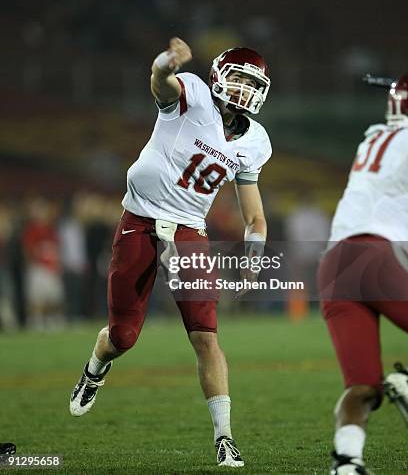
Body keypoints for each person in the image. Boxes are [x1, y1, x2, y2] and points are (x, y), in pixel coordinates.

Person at [69, 38, 272, 467]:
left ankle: (224, 437)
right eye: (237, 78)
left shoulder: (255, 142)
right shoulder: (193, 94)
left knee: (205, 334)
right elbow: (161, 83)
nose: (242, 90)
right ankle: (94, 371)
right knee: (122, 337)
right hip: (139, 219)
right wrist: (165, 62)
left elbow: (255, 217)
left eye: (251, 83)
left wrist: (254, 256)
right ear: (218, 76)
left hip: (188, 230)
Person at [317, 74, 408, 474]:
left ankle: (347, 462)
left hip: (334, 264)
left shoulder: (373, 137)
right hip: (374, 256)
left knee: (363, 387)